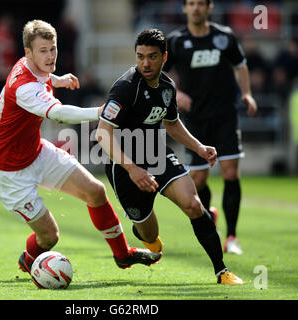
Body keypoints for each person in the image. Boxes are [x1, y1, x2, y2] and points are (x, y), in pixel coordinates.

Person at [0, 20, 162, 281]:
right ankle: (30, 259)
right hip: (8, 171)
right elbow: (58, 113)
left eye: (53, 49)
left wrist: (57, 79)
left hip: (35, 152)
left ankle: (122, 255)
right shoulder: (24, 87)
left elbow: (41, 78)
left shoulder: (29, 67)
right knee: (50, 237)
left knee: (95, 191)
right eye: (43, 51)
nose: (50, 56)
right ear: (28, 52)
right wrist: (99, 112)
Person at [96, 28, 243, 284]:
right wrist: (132, 169)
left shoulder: (167, 87)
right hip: (123, 167)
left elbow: (172, 123)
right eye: (140, 56)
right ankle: (145, 234)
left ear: (164, 57)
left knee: (194, 205)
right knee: (151, 234)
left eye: (152, 56)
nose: (145, 62)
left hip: (156, 155)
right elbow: (102, 133)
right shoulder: (125, 88)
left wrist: (199, 147)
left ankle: (222, 271)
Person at [163, 0, 258, 255]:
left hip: (225, 115)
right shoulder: (174, 41)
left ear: (209, 7)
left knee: (230, 171)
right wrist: (177, 94)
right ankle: (210, 218)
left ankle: (232, 237)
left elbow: (241, 65)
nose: (195, 8)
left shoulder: (224, 36)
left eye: (200, 4)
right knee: (199, 177)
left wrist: (247, 94)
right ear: (184, 9)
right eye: (190, 4)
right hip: (193, 119)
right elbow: (161, 74)